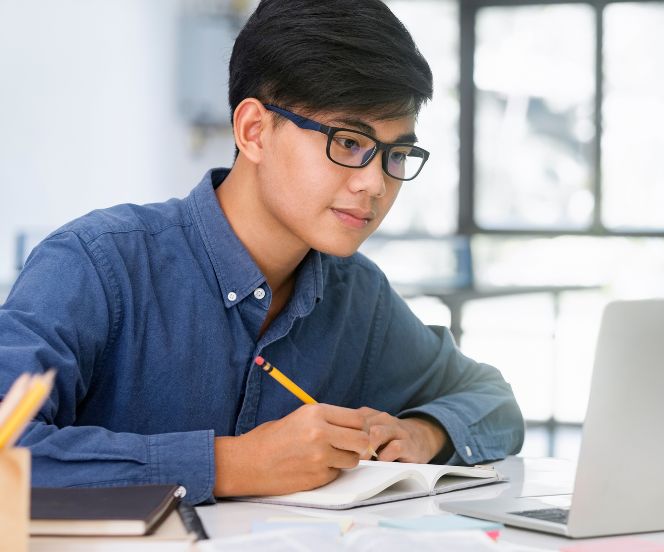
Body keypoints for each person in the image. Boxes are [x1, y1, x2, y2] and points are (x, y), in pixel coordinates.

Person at [0, 0, 524, 505]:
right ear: (253, 131)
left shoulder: (357, 296)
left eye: (396, 153)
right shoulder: (96, 265)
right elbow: (7, 448)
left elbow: (492, 399)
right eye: (346, 142)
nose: (374, 184)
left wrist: (422, 434)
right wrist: (233, 464)